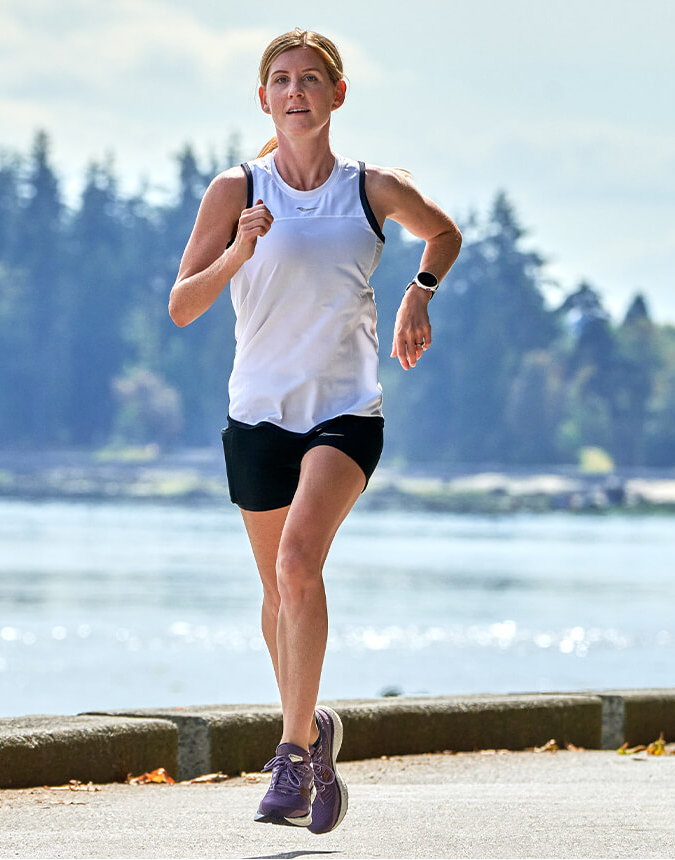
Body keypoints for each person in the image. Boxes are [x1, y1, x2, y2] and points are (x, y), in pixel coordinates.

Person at [167, 29, 461, 834]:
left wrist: (418, 292)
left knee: (298, 564)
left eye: (309, 80)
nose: (294, 92)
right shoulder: (236, 188)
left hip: (344, 411)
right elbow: (183, 304)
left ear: (336, 94)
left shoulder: (372, 188)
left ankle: (291, 758)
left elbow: (443, 233)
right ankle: (315, 733)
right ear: (263, 99)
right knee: (276, 592)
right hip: (256, 413)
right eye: (279, 81)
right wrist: (239, 249)